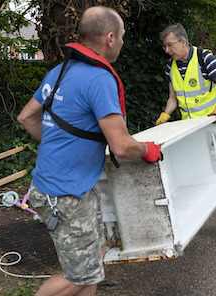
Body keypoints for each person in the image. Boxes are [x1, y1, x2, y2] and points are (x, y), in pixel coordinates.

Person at [17, 6, 163, 296]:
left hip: (65, 187)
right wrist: (148, 150)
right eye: (122, 37)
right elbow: (120, 145)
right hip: (66, 195)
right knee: (78, 276)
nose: (122, 42)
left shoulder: (59, 72)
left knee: (94, 261)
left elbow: (26, 117)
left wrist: (59, 146)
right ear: (110, 38)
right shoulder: (99, 79)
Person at [154, 23, 216, 236]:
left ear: (183, 42)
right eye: (165, 46)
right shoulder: (171, 66)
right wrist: (165, 115)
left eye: (169, 45)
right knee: (191, 170)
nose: (167, 50)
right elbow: (173, 98)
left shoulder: (204, 58)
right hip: (187, 128)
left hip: (210, 125)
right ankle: (191, 219)